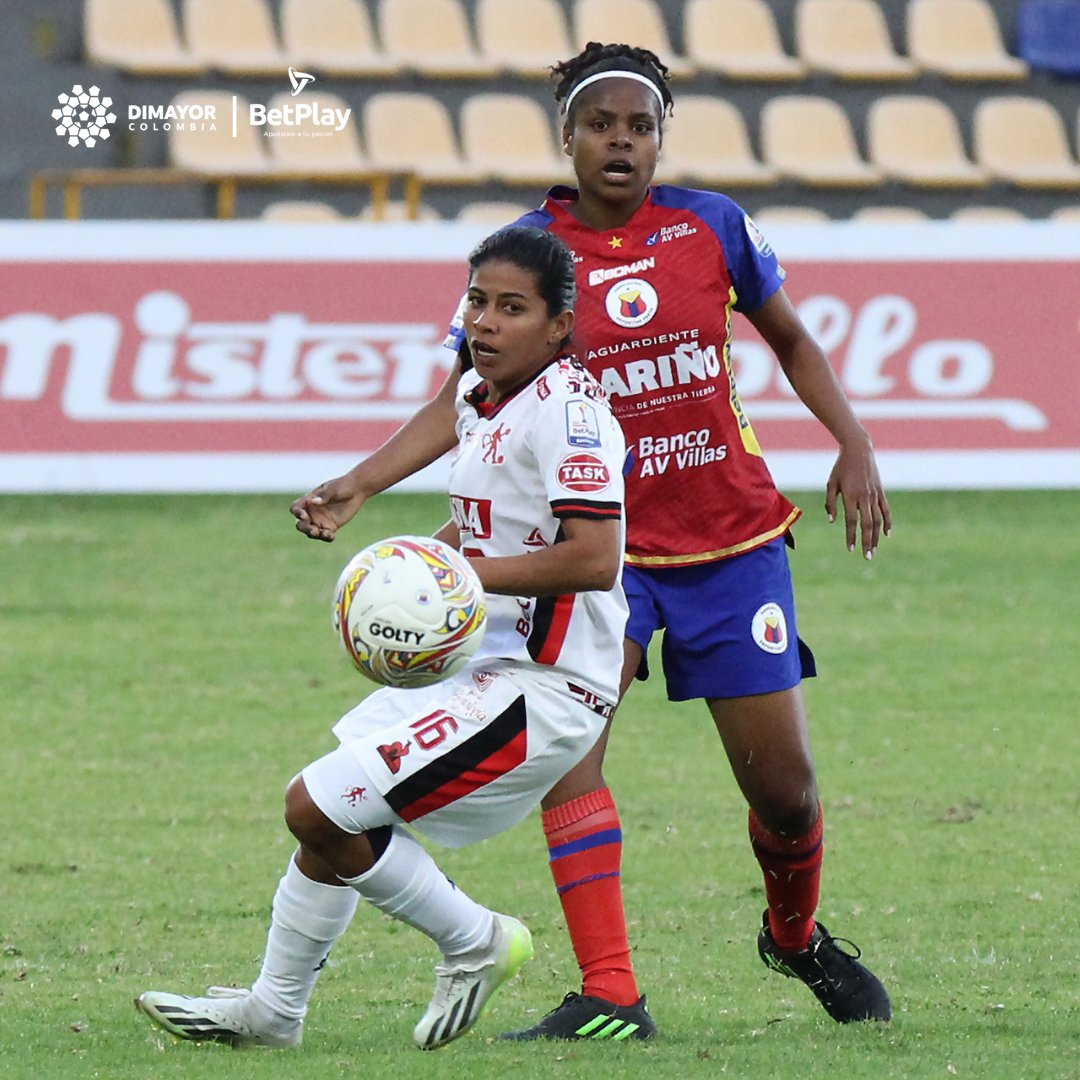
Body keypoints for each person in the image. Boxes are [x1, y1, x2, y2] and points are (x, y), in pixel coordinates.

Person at [291, 43, 894, 1041]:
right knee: (573, 755)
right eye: (600, 124)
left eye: (640, 125)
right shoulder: (529, 252)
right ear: (565, 136)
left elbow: (789, 337)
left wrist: (854, 441)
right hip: (584, 552)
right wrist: (361, 482)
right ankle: (613, 991)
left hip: (733, 543)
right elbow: (463, 400)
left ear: (661, 137)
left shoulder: (714, 225)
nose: (621, 141)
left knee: (786, 796)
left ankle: (792, 936)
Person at [135, 226, 630, 1051]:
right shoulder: (486, 395)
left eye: (514, 308)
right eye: (478, 301)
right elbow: (476, 496)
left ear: (557, 326)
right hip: (485, 668)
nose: (487, 322)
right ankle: (275, 1012)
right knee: (336, 815)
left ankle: (476, 941)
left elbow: (596, 557)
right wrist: (395, 539)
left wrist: (458, 582)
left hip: (545, 687)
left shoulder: (571, 418)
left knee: (319, 805)